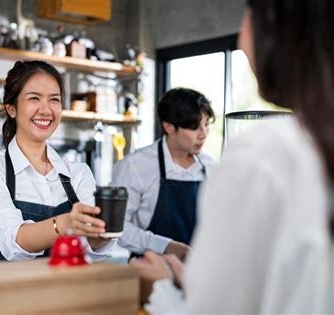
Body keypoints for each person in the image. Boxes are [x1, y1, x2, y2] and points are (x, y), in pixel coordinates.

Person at [130, 0, 333, 313]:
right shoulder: (137, 165)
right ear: (168, 127)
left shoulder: (262, 156)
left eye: (247, 19)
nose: (241, 35)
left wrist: (163, 286)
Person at [0, 60, 115, 262]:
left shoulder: (78, 173)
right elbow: (14, 241)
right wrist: (64, 224)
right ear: (11, 108)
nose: (46, 110)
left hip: (65, 292)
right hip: (3, 291)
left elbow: (91, 248)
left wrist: (103, 229)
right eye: (34, 98)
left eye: (54, 100)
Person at [110, 88, 216, 258]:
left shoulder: (211, 165)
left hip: (201, 270)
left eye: (207, 124)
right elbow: (116, 226)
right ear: (169, 127)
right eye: (195, 127)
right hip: (151, 269)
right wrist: (165, 246)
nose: (203, 134)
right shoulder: (135, 166)